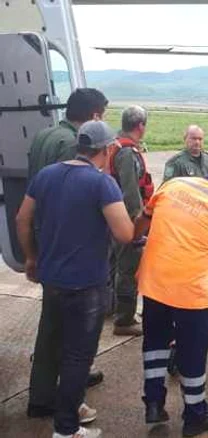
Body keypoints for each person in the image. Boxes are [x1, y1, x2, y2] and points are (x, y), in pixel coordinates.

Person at [17, 121, 134, 438]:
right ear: (107, 149)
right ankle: (67, 430)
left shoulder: (47, 175)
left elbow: (22, 219)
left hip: (52, 280)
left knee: (55, 345)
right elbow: (125, 233)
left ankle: (61, 406)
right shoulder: (102, 183)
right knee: (77, 357)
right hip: (85, 285)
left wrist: (30, 256)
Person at [134, 152, 208, 437]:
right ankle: (195, 415)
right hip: (188, 290)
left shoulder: (173, 185)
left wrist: (132, 239)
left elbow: (142, 220)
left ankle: (153, 403)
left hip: (153, 280)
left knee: (155, 341)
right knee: (193, 351)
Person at [108, 106, 154, 336]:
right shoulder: (127, 153)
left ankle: (111, 309)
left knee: (115, 266)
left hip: (113, 218)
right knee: (127, 269)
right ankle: (124, 320)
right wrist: (139, 227)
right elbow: (130, 194)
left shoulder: (115, 145)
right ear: (140, 126)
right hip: (125, 221)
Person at [28, 88, 108, 181]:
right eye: (103, 117)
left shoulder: (42, 134)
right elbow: (68, 186)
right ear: (96, 117)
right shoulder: (72, 143)